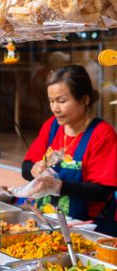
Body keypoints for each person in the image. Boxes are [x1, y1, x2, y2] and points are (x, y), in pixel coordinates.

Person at [21, 64, 117, 236]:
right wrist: (35, 170)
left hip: (88, 229)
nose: (55, 108)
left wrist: (59, 186)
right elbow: (26, 167)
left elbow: (102, 191)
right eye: (51, 101)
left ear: (85, 99)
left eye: (62, 101)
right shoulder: (51, 127)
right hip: (48, 224)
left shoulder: (102, 134)